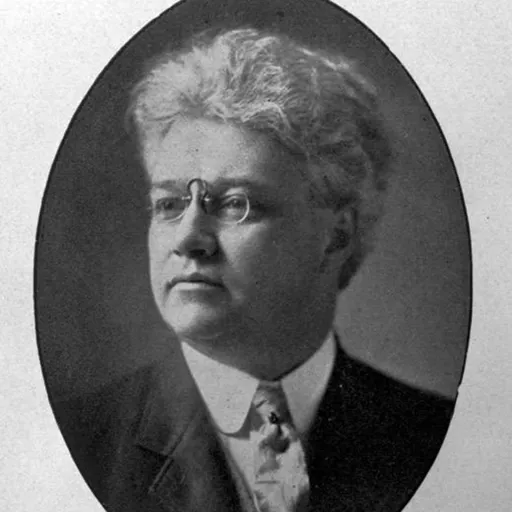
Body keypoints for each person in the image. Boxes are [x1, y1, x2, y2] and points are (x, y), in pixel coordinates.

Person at [55, 28, 454, 512]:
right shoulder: (75, 442)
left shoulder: (443, 438)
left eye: (236, 203)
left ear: (336, 234)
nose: (188, 239)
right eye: (170, 204)